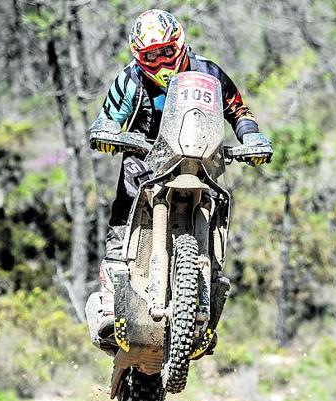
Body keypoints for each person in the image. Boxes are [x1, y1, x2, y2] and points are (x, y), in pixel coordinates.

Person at [85, 9, 270, 354]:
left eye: (166, 51)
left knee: (220, 208)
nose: (160, 62)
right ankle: (111, 299)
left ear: (180, 44)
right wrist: (107, 133)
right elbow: (106, 119)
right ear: (139, 57)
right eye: (150, 56)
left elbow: (239, 111)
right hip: (145, 163)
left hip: (199, 161)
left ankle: (206, 302)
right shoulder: (131, 80)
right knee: (123, 217)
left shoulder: (209, 73)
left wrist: (252, 138)